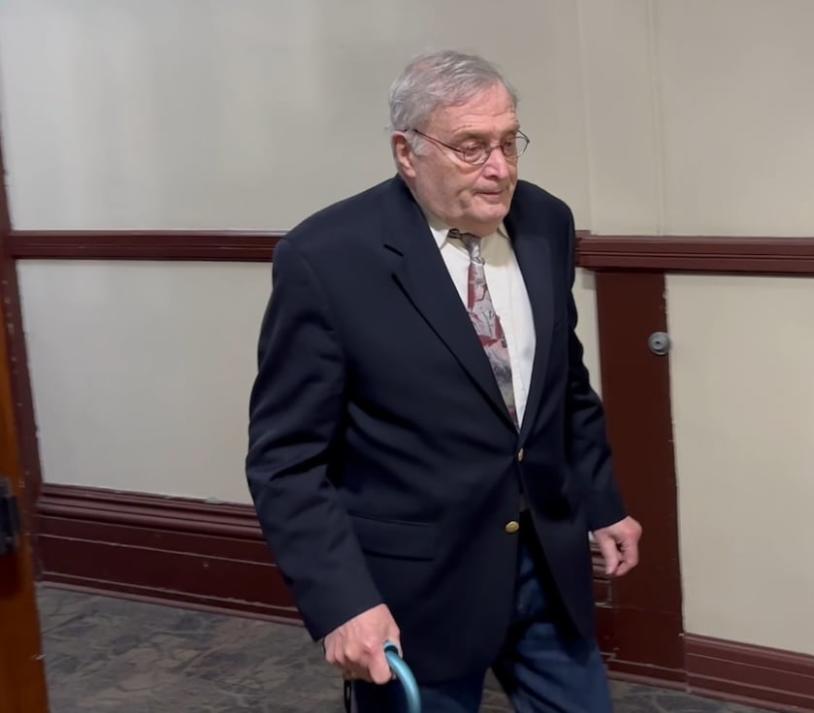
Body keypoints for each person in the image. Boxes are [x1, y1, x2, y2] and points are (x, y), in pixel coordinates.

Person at [245, 50, 642, 712]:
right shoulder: (326, 258)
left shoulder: (547, 222)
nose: (500, 168)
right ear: (408, 152)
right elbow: (286, 460)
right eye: (471, 147)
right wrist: (343, 601)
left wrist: (601, 499)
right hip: (414, 595)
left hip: (547, 565)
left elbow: (563, 382)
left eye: (509, 142)